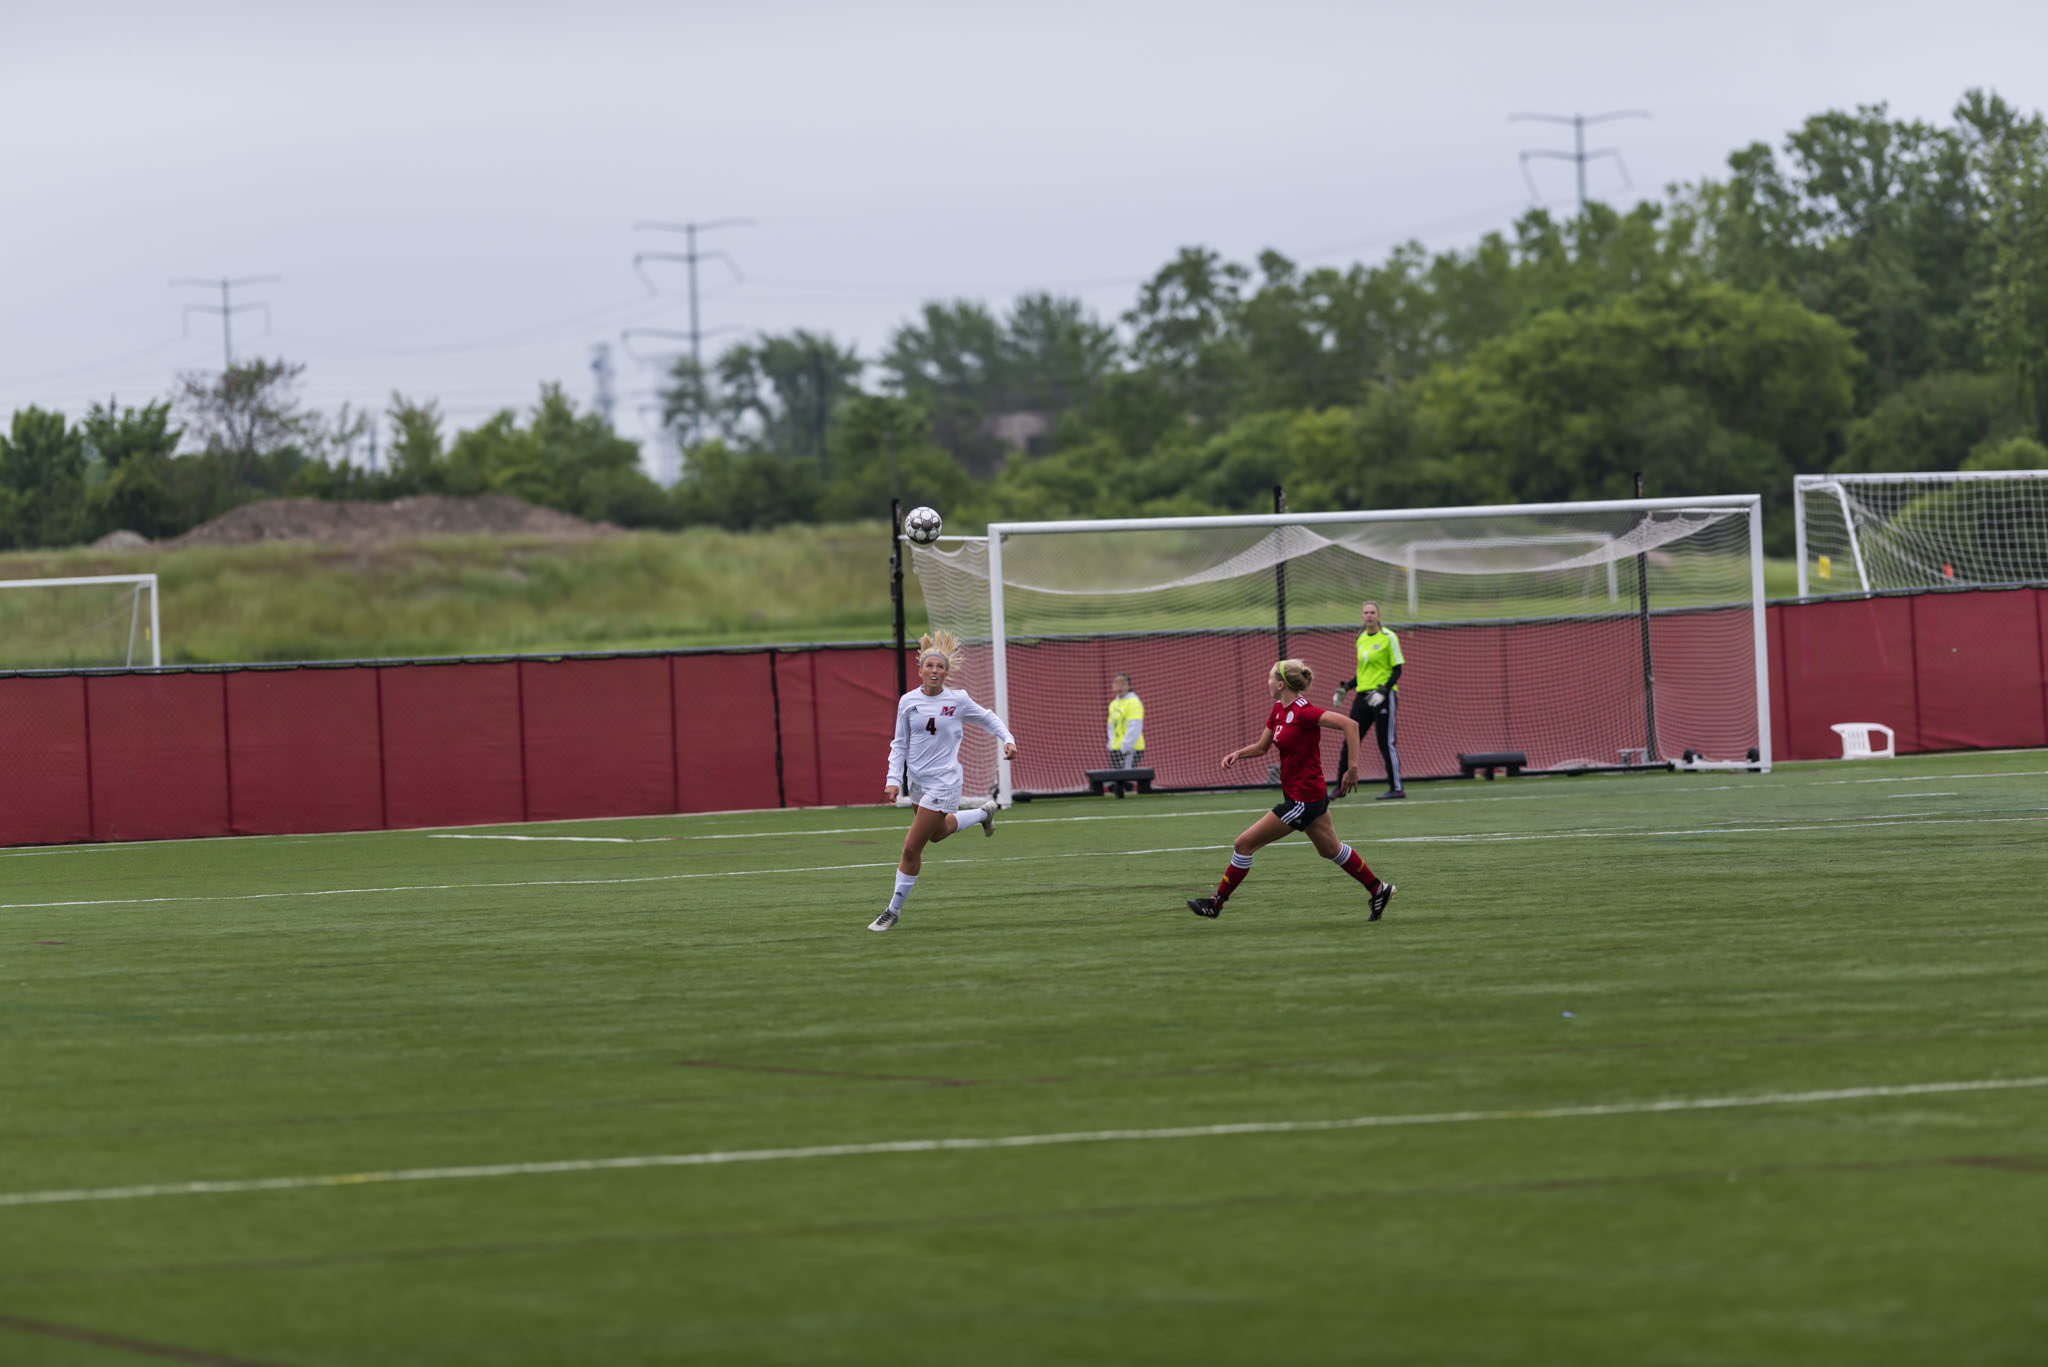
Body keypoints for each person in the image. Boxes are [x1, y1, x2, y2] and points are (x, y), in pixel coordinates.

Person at [1187, 659, 1395, 921]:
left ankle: (1215, 904)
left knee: (1243, 844)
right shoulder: (1277, 710)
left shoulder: (1304, 712)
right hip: (1308, 796)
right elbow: (1263, 747)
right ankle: (1379, 889)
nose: (1267, 682)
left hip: (1303, 800)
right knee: (1330, 850)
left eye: (1270, 677)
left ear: (1281, 683)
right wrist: (1238, 754)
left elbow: (1351, 725)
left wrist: (1352, 768)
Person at [874, 629, 1019, 933]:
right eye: (930, 666)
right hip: (918, 782)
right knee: (937, 834)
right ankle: (983, 813)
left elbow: (988, 717)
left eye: (940, 667)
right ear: (920, 670)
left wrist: (1007, 738)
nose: (935, 671)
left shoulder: (958, 700)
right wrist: (893, 780)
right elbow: (899, 743)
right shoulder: (908, 702)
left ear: (946, 673)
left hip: (945, 781)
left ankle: (892, 911)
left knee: (912, 849)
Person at [1333, 599, 1405, 799]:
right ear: (1362, 616)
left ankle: (1397, 788)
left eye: (1373, 612)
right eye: (1366, 612)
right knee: (1350, 740)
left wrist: (1384, 691)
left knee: (1386, 742)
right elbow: (1363, 673)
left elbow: (1397, 669)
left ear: (1378, 615)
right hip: (1362, 696)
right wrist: (1347, 687)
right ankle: (1340, 787)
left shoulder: (1389, 637)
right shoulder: (1360, 637)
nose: (1369, 615)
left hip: (1383, 695)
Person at [1105, 671, 1145, 794]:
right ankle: (1125, 787)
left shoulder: (1133, 702)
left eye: (1123, 683)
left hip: (1131, 747)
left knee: (1123, 775)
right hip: (1116, 748)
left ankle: (1130, 788)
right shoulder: (1113, 704)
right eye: (1116, 683)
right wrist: (1111, 743)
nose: (1119, 686)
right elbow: (1111, 726)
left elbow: (1135, 725)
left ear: (1129, 686)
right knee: (1117, 776)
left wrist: (1126, 745)